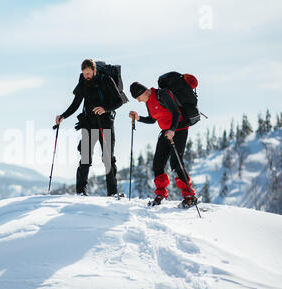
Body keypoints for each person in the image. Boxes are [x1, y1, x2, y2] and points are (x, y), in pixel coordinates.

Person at [55, 59, 124, 196]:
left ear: (94, 70)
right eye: (84, 73)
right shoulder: (83, 82)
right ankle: (81, 192)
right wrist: (63, 116)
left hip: (105, 123)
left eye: (88, 73)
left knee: (108, 158)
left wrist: (105, 108)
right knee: (85, 157)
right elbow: (76, 103)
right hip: (89, 123)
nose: (86, 76)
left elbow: (119, 101)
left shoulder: (106, 80)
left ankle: (112, 193)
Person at [128, 81, 197, 208]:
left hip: (179, 129)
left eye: (138, 98)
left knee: (176, 163)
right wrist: (138, 118)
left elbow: (176, 113)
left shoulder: (162, 94)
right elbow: (152, 119)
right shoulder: (148, 102)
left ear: (143, 92)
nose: (138, 101)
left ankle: (189, 196)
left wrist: (172, 130)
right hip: (166, 131)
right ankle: (161, 195)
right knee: (157, 164)